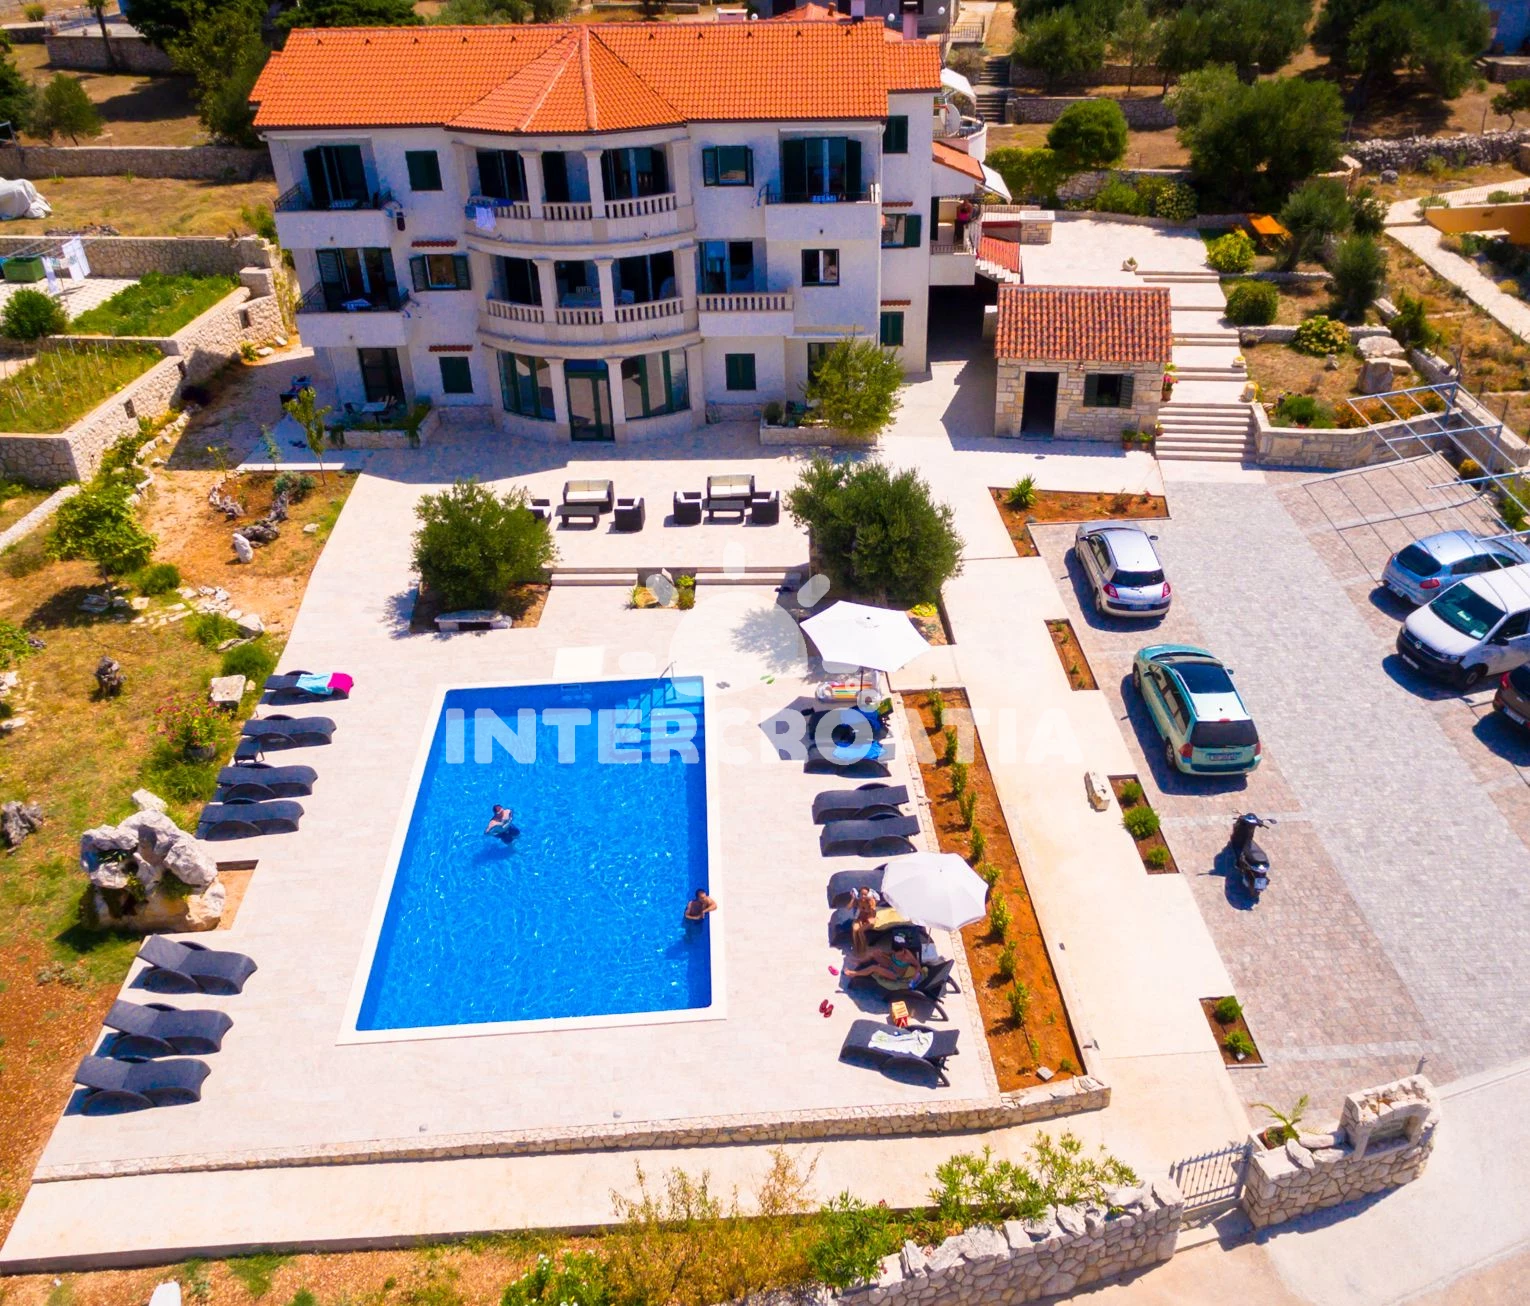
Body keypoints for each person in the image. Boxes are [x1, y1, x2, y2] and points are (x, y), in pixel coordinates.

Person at [844, 943, 920, 986]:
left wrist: (914, 977)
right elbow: (889, 954)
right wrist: (882, 953)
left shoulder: (908, 957)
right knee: (874, 953)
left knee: (874, 968)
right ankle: (860, 961)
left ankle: (855, 974)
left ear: (902, 951)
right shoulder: (896, 950)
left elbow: (918, 966)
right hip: (890, 964)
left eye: (897, 953)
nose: (896, 954)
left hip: (895, 974)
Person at [850, 886, 880, 957]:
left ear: (868, 894)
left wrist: (869, 906)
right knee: (855, 929)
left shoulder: (871, 901)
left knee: (860, 931)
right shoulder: (858, 901)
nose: (863, 896)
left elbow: (873, 914)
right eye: (862, 894)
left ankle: (863, 949)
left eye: (865, 894)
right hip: (860, 919)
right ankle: (856, 947)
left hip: (870, 919)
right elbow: (848, 907)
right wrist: (853, 899)